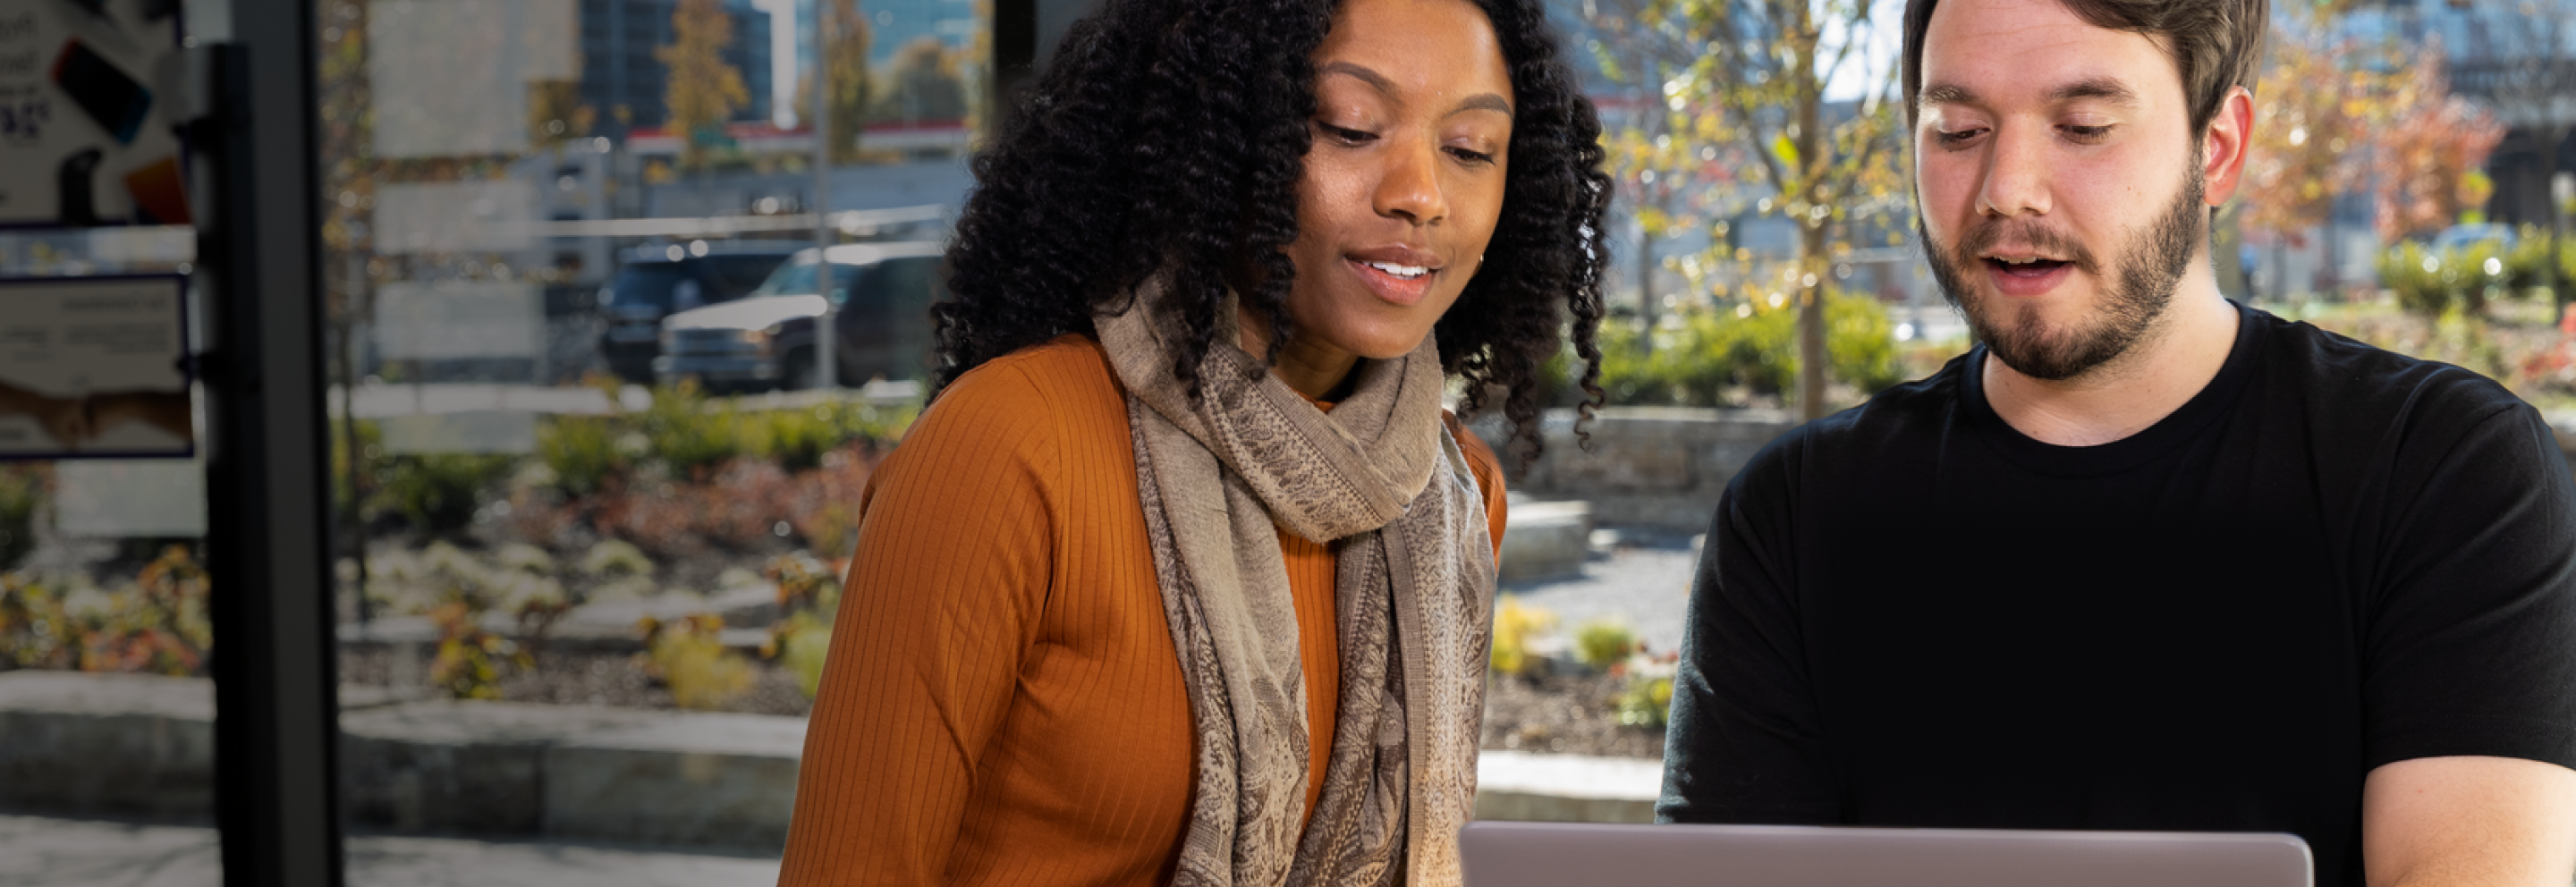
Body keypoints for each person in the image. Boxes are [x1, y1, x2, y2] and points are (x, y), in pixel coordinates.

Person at [1657, 1, 2576, 886]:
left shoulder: (2447, 474)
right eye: (1957, 129)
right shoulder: (1794, 512)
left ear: (2217, 151)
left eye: (2084, 125)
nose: (2007, 189)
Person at [776, 0, 1613, 881]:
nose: (1419, 193)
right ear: (1215, 136)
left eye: (1471, 147)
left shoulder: (1453, 494)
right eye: (1350, 127)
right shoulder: (1008, 450)